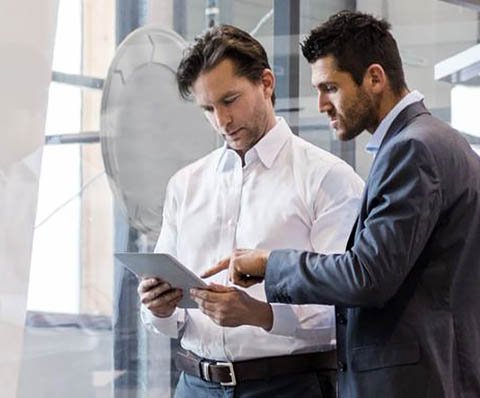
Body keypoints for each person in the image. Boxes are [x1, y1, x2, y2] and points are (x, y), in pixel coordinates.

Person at [203, 11, 480, 398]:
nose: (321, 104)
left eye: (330, 87)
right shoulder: (441, 141)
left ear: (375, 78)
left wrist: (271, 263)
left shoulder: (412, 149)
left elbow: (368, 275)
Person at [138, 25, 364, 398]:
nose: (222, 121)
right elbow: (167, 320)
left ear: (267, 83)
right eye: (208, 109)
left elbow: (346, 306)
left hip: (290, 386)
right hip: (194, 385)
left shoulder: (327, 179)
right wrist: (159, 308)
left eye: (230, 100)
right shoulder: (185, 184)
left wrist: (259, 314)